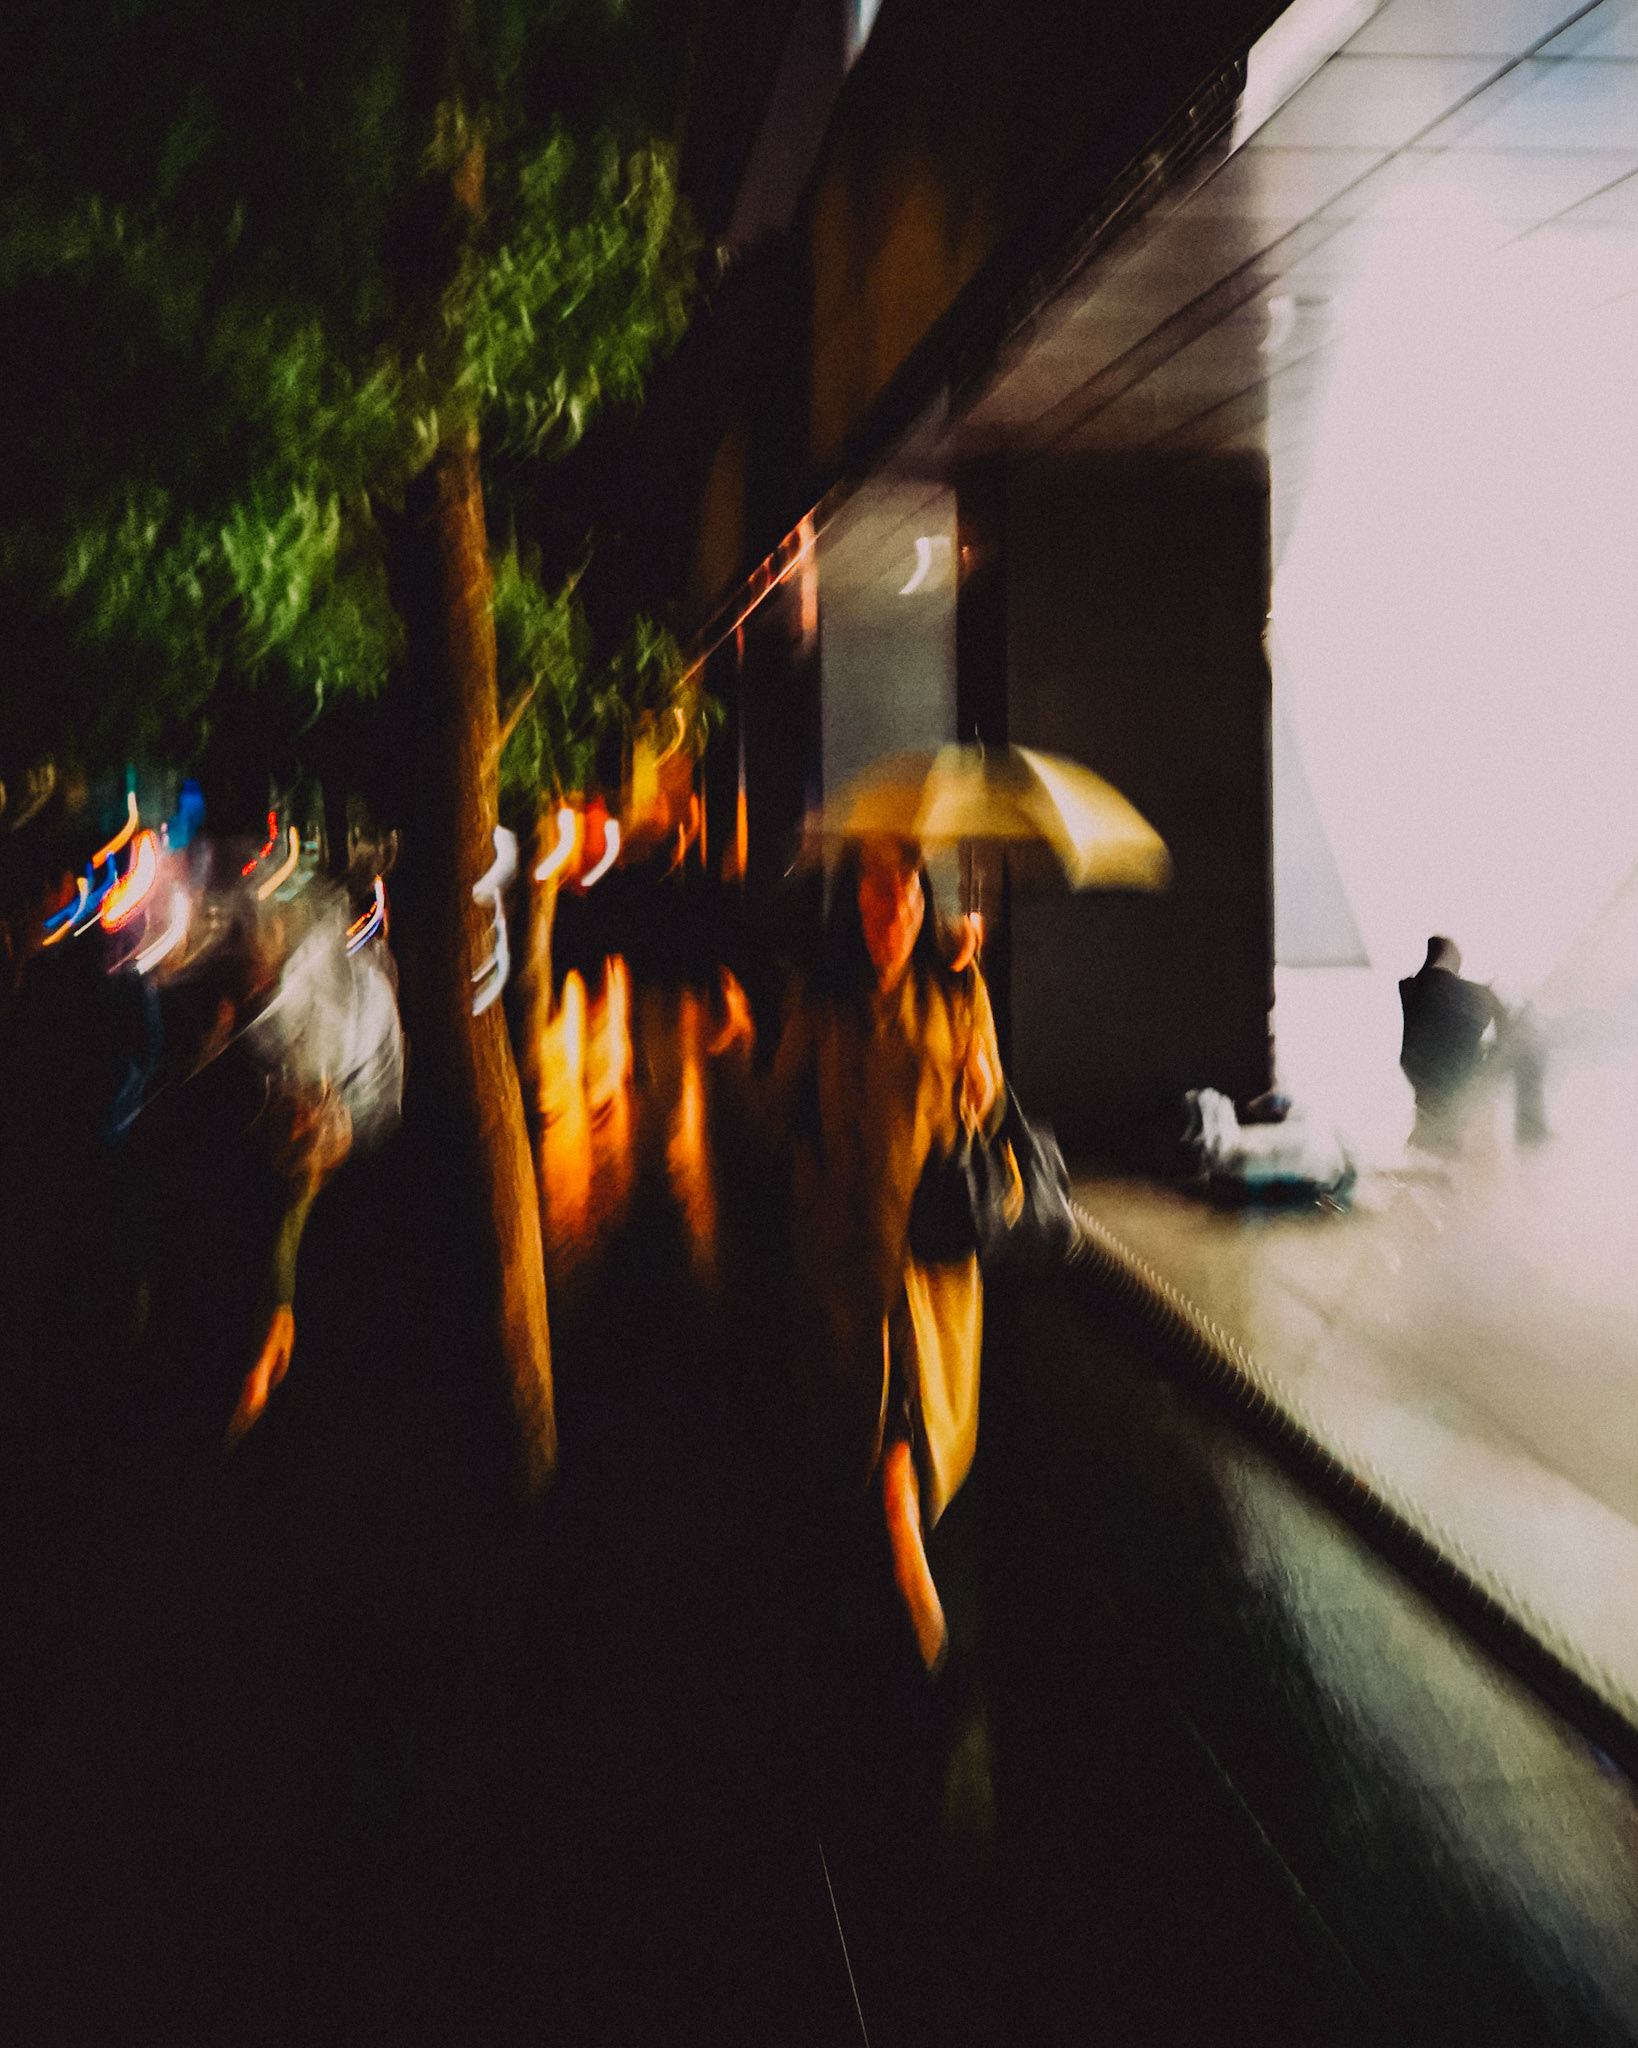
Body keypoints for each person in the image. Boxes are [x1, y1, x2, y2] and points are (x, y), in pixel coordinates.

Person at [715, 836, 1002, 1671]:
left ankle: (904, 1543)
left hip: (929, 1254)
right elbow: (774, 1113)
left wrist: (983, 1091)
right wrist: (741, 1045)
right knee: (866, 1416)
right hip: (843, 1253)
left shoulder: (958, 987)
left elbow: (984, 1110)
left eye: (907, 894)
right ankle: (893, 1541)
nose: (894, 914)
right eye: (877, 896)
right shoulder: (824, 998)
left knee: (906, 1411)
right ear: (855, 905)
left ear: (925, 900)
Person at [1399, 935, 1505, 1152]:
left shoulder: (1409, 988)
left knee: (1431, 1139)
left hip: (1428, 1088)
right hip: (1458, 1086)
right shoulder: (1479, 995)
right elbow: (1506, 1035)